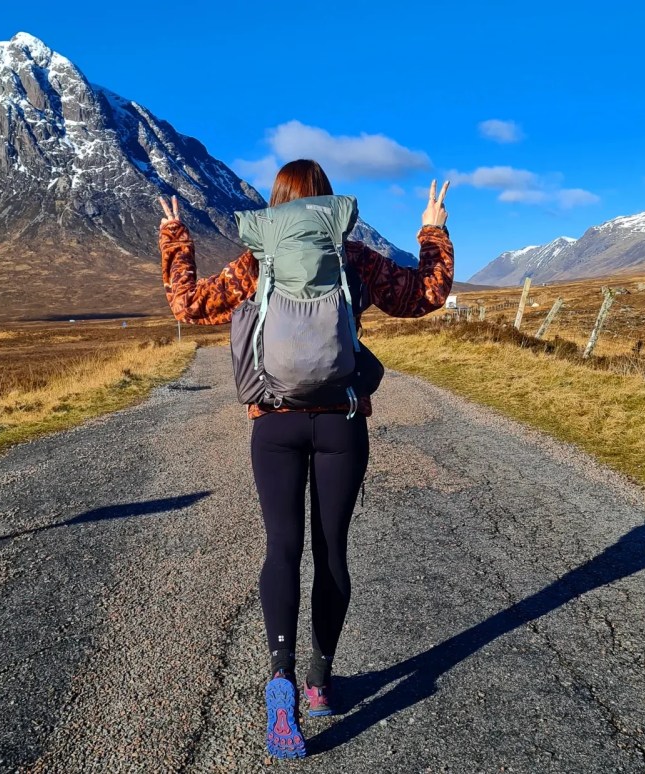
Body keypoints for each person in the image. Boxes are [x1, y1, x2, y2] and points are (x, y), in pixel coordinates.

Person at [157, 160, 453, 758]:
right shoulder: (351, 256)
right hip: (342, 421)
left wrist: (175, 238)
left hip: (274, 423)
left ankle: (281, 677)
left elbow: (189, 307)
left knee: (281, 548)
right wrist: (432, 229)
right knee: (332, 553)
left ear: (276, 206)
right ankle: (320, 682)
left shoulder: (257, 262)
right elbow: (424, 295)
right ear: (328, 204)